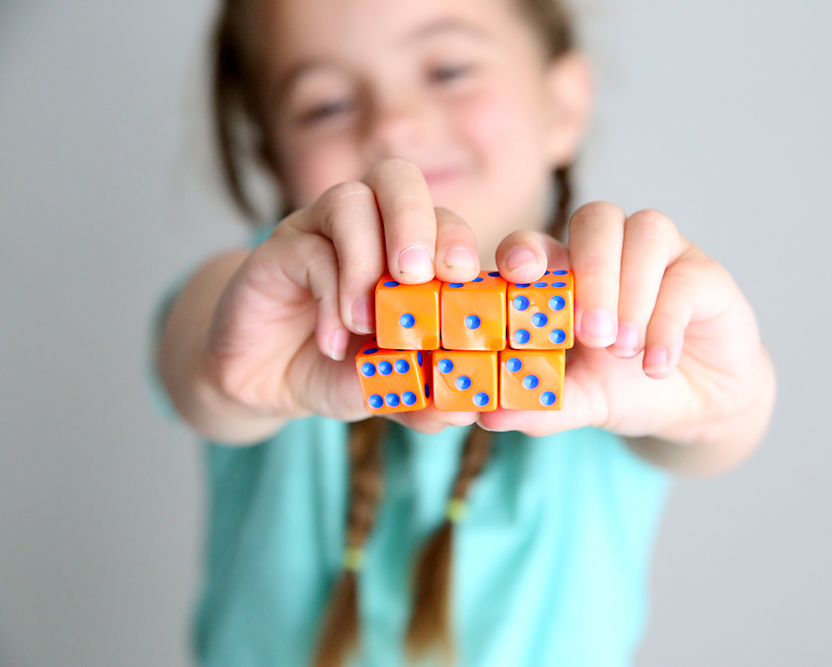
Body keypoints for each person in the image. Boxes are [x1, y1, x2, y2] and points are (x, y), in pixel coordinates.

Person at [154, 0, 776, 664]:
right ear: (273, 158)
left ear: (562, 107)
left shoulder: (623, 324)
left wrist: (724, 398)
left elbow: (713, 432)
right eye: (325, 105)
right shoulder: (254, 302)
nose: (395, 123)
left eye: (449, 69)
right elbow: (203, 358)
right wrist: (229, 367)